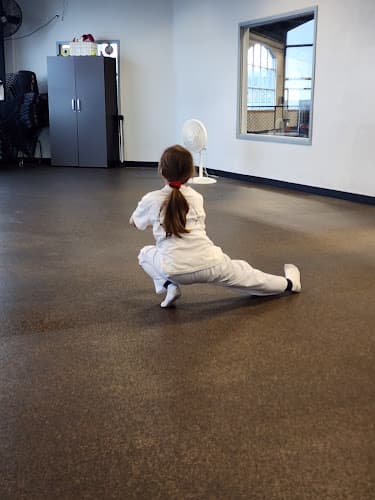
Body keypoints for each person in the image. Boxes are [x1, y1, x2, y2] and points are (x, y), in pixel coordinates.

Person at [130, 145, 301, 308]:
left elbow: (135, 223)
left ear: (161, 170)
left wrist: (152, 221)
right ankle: (290, 284)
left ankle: (169, 286)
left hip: (174, 270)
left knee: (145, 254)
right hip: (210, 263)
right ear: (191, 172)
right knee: (248, 276)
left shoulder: (151, 199)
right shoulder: (196, 197)